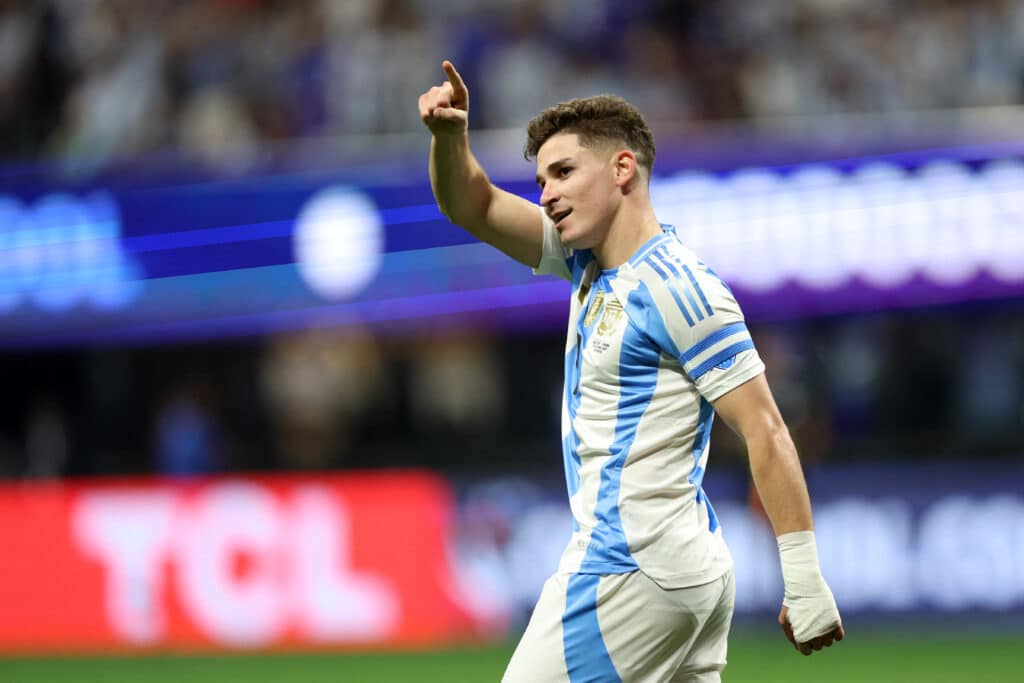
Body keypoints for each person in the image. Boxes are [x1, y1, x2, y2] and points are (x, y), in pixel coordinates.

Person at [419, 60, 843, 682]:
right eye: (541, 180)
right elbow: (473, 205)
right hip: (683, 569)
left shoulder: (679, 288)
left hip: (629, 568)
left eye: (564, 172)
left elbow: (766, 429)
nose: (546, 194)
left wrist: (804, 579)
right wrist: (450, 137)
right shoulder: (583, 260)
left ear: (622, 169)